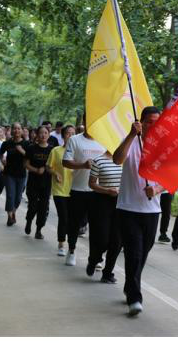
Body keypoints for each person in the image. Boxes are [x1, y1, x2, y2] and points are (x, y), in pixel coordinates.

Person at [112, 107, 164, 316]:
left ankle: (130, 284)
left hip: (152, 209)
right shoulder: (131, 141)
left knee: (143, 252)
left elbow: (169, 177)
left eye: (157, 122)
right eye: (149, 121)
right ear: (141, 122)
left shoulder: (163, 146)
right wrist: (131, 135)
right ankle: (135, 297)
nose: (153, 125)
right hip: (128, 208)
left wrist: (157, 189)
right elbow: (117, 159)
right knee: (134, 252)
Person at [62, 114, 106, 266]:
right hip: (78, 189)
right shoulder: (75, 140)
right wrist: (83, 165)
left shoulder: (105, 140)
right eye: (89, 120)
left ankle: (96, 257)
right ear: (84, 122)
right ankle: (71, 250)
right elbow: (66, 162)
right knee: (74, 224)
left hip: (99, 191)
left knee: (97, 226)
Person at [87, 149, 123, 284]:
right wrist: (107, 190)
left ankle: (108, 273)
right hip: (102, 201)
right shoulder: (99, 160)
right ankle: (94, 259)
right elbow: (91, 183)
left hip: (121, 202)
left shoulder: (126, 161)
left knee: (117, 241)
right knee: (102, 238)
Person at [47, 125, 75, 256]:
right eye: (68, 133)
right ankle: (61, 243)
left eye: (73, 133)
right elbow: (48, 167)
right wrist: (55, 173)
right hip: (59, 189)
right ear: (63, 136)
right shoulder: (56, 151)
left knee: (72, 219)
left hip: (74, 190)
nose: (71, 136)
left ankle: (72, 245)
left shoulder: (78, 152)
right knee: (63, 217)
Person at [23, 126, 54, 238]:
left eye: (45, 133)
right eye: (41, 133)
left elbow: (54, 165)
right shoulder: (31, 148)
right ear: (37, 134)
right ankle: (29, 221)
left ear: (49, 135)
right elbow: (25, 164)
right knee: (33, 206)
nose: (43, 135)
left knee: (43, 207)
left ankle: (39, 230)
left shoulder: (52, 150)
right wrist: (36, 170)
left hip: (46, 183)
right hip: (33, 182)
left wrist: (49, 170)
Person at [0, 122, 29, 227]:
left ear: (22, 131)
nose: (16, 130)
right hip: (9, 173)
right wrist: (2, 160)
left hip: (21, 173)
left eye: (18, 128)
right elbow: (0, 153)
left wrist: (22, 151)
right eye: (14, 128)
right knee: (10, 195)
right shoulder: (7, 143)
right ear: (12, 130)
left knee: (18, 197)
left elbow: (30, 156)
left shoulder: (26, 144)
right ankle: (10, 216)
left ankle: (13, 212)